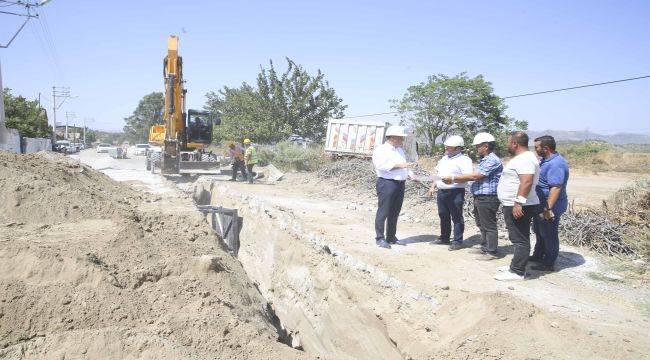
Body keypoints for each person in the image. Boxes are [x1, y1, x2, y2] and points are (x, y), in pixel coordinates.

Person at [441, 132, 503, 260]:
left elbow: (476, 176)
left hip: (488, 197)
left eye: (478, 146)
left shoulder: (492, 160)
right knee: (481, 223)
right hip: (480, 196)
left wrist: (453, 178)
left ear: (485, 146)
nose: (476, 149)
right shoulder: (484, 160)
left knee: (489, 225)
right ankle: (485, 247)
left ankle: (492, 251)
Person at [494, 131, 540, 281]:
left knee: (520, 239)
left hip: (519, 205)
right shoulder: (523, 158)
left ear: (515, 143)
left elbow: (526, 181)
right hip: (515, 203)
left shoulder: (525, 159)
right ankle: (516, 265)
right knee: (519, 237)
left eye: (509, 142)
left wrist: (518, 202)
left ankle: (517, 271)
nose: (507, 145)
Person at [372, 125, 415, 249]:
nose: (402, 140)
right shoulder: (381, 150)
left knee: (395, 211)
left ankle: (391, 236)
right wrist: (401, 165)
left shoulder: (399, 150)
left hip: (400, 184)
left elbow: (405, 166)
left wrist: (411, 174)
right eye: (401, 138)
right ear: (393, 137)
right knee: (383, 211)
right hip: (387, 183)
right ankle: (380, 238)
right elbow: (381, 166)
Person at [427, 135, 473, 251]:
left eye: (449, 147)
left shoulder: (464, 160)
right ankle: (444, 237)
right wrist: (433, 186)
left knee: (456, 216)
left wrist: (452, 179)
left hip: (455, 191)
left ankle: (458, 241)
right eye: (446, 147)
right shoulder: (444, 158)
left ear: (458, 148)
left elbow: (468, 177)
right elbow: (437, 173)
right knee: (443, 215)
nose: (446, 149)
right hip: (442, 191)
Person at [531, 135, 570, 272]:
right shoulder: (546, 161)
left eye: (537, 147)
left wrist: (548, 209)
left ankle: (548, 263)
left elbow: (556, 187)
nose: (535, 150)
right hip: (540, 204)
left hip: (549, 206)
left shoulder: (556, 164)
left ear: (545, 148)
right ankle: (538, 255)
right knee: (539, 231)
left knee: (549, 234)